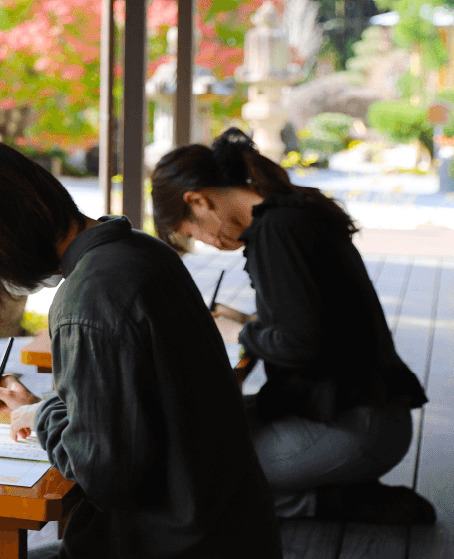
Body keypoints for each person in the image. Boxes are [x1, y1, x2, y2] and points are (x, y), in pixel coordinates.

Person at [0, 136, 282, 559]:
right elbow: (140, 414)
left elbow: (105, 476)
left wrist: (46, 415)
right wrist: (44, 409)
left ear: (0, 242)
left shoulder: (88, 299)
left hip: (171, 543)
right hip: (230, 526)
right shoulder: (141, 250)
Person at [150, 127, 434, 525]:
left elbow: (303, 343)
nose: (206, 241)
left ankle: (336, 501)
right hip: (363, 412)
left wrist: (239, 333)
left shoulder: (276, 230)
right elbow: (318, 321)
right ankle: (333, 483)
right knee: (197, 433)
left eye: (192, 231)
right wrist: (248, 320)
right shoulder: (291, 214)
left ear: (198, 201)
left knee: (199, 474)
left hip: (356, 425)